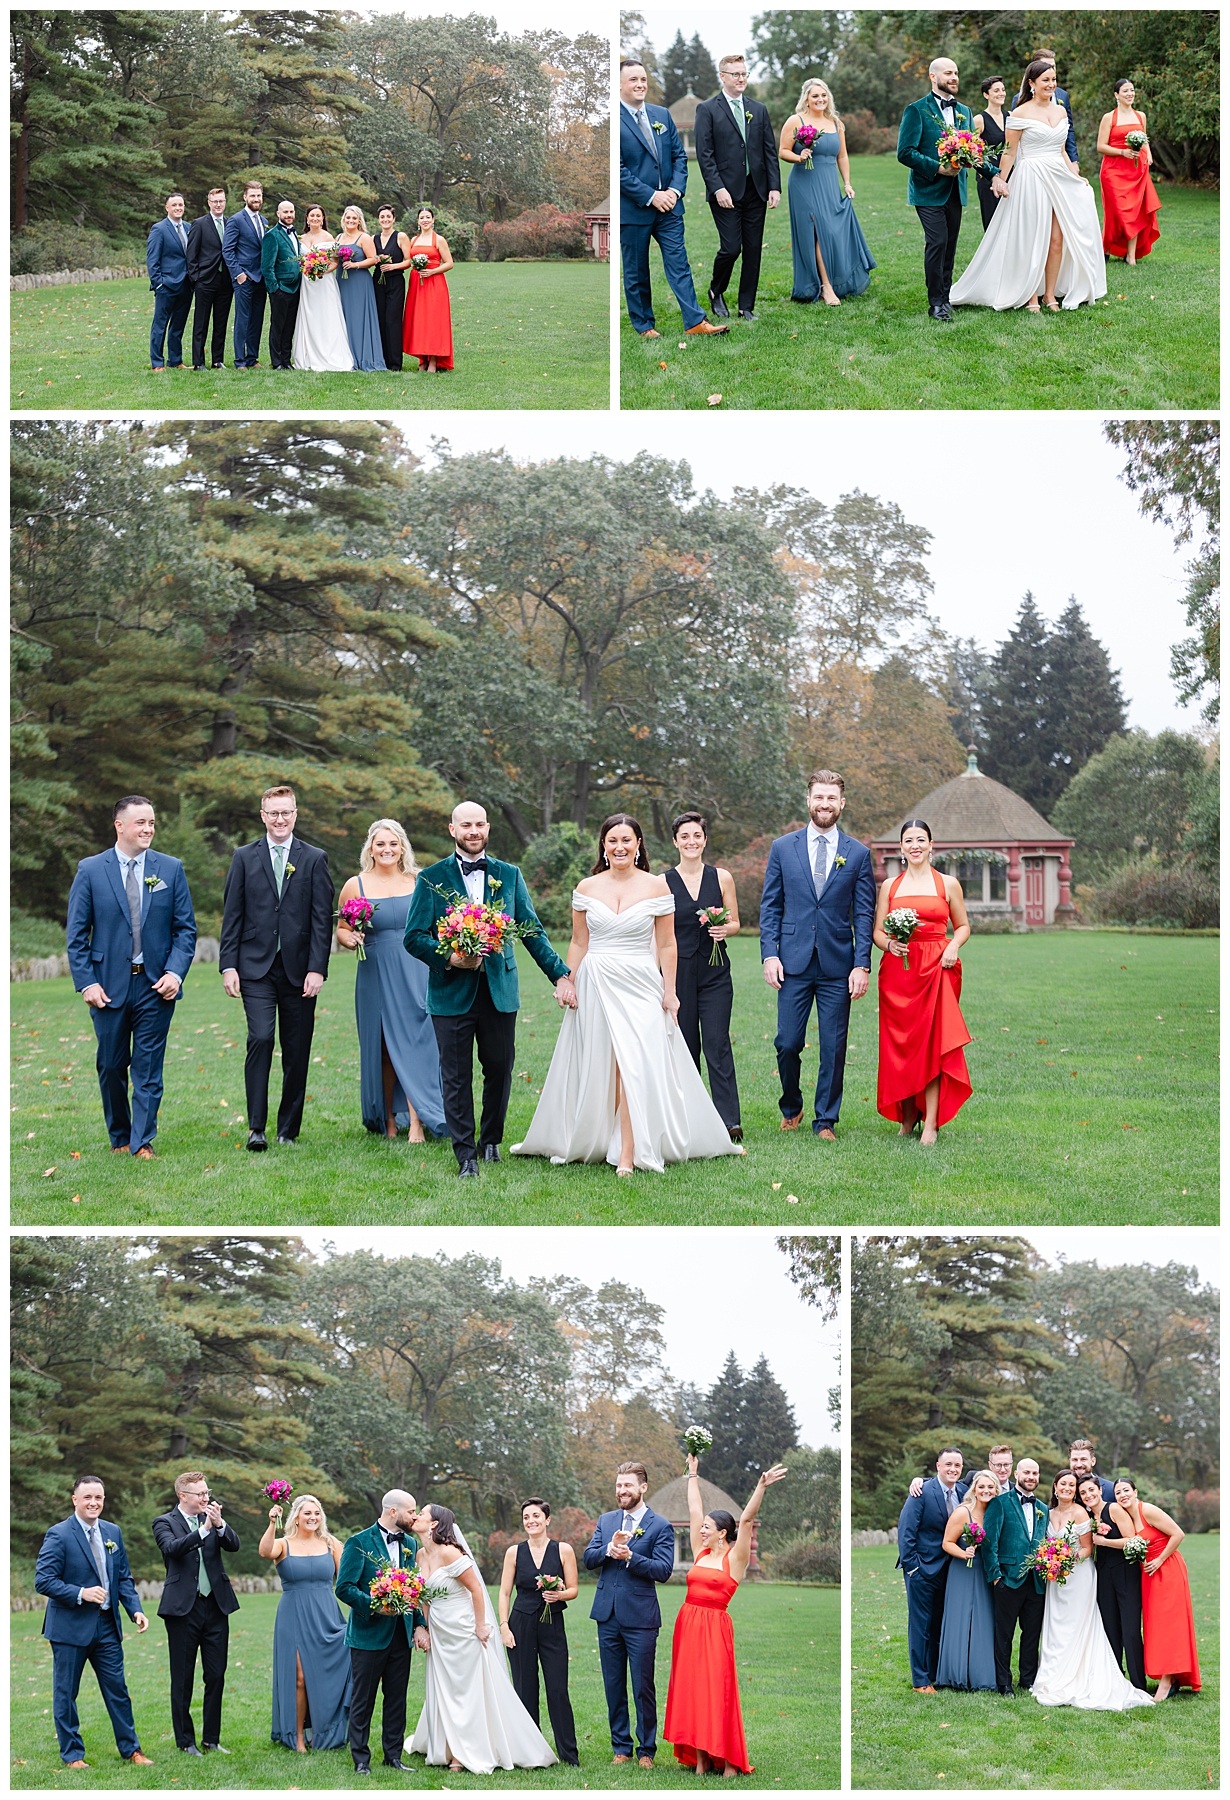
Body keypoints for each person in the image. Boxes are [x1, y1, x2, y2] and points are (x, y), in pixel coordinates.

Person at [511, 814, 743, 1174]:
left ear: (638, 846)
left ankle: (628, 1152)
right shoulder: (586, 887)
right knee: (607, 1063)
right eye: (612, 840)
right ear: (603, 846)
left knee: (631, 1062)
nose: (619, 847)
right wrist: (567, 981)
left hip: (640, 983)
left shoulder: (656, 887)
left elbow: (667, 944)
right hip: (597, 981)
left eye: (627, 840)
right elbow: (578, 941)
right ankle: (602, 1138)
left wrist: (670, 991)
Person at [404, 801, 575, 1177]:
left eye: (479, 824)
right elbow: (413, 937)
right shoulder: (430, 878)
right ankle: (465, 1154)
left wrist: (560, 974)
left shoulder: (509, 874)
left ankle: (491, 1140)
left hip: (500, 989)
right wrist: (449, 957)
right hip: (450, 992)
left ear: (488, 827)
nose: (473, 831)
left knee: (499, 1067)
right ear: (453, 829)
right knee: (456, 1074)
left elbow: (531, 930)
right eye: (466, 825)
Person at [66, 793, 196, 1158]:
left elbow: (185, 930)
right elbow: (76, 935)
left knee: (148, 1068)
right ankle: (120, 1137)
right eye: (141, 822)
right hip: (107, 986)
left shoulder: (170, 868)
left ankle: (141, 1141)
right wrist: (87, 982)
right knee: (110, 1066)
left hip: (156, 986)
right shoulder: (90, 870)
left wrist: (175, 972)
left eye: (152, 822)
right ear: (119, 825)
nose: (148, 828)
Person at [759, 769, 876, 1140]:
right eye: (818, 797)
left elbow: (863, 913)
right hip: (791, 962)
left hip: (837, 965)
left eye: (831, 798)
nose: (824, 804)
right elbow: (770, 907)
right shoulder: (782, 848)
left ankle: (825, 1119)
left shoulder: (857, 854)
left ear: (841, 803)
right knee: (787, 1042)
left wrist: (861, 964)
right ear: (808, 800)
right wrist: (769, 955)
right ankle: (791, 1106)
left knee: (833, 1045)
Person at [219, 784, 334, 1149]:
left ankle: (288, 1129)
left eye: (286, 812)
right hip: (255, 967)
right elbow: (232, 915)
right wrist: (228, 965)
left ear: (295, 815)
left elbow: (321, 920)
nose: (280, 819)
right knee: (262, 1038)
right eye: (273, 813)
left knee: (297, 1049)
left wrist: (318, 968)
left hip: (300, 970)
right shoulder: (243, 856)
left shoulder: (314, 858)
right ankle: (256, 1127)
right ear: (263, 816)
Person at [951, 58, 1107, 313]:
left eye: (1054, 80)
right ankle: (1030, 295)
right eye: (1045, 80)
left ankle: (1049, 294)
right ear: (1031, 83)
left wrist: (1075, 175)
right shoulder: (1020, 113)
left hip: (1058, 176)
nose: (1051, 84)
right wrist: (999, 179)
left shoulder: (1059, 110)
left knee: (1057, 239)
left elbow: (1062, 151)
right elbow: (1010, 153)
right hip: (1031, 177)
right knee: (1033, 238)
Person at [409, 1504, 557, 1773]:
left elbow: (476, 1588)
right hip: (440, 1633)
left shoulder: (450, 1552)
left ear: (433, 1524)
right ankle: (447, 1746)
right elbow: (424, 1597)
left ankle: (464, 1753)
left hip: (464, 1630)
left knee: (467, 1691)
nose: (416, 1515)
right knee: (444, 1689)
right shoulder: (419, 1554)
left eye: (422, 1513)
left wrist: (480, 1626)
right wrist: (426, 1628)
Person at [664, 1454, 787, 1773]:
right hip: (688, 1624)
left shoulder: (735, 1559)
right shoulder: (701, 1551)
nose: (701, 1530)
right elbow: (693, 1509)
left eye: (707, 1527)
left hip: (715, 1627)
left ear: (722, 1532)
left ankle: (728, 1758)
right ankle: (702, 1758)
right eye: (701, 1527)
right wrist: (692, 1474)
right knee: (693, 1689)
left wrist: (760, 1486)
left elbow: (745, 1521)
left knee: (716, 1690)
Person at [335, 818, 446, 1143]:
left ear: (402, 848)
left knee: (419, 1044)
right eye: (380, 843)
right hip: (376, 974)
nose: (387, 849)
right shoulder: (356, 884)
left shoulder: (418, 880)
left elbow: (434, 926)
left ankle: (416, 1120)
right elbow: (341, 928)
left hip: (416, 969)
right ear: (371, 847)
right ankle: (387, 1119)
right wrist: (349, 938)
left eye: (393, 844)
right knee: (383, 1048)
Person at [35, 1476, 153, 1770]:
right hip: (69, 1628)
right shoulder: (59, 1534)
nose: (93, 1503)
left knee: (118, 1691)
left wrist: (134, 1609)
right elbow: (43, 1580)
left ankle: (132, 1750)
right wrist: (80, 1593)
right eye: (87, 1497)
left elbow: (123, 1577)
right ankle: (73, 1754)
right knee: (66, 1694)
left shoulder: (113, 1531)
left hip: (107, 1627)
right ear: (74, 1499)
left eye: (98, 1497)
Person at [874, 818, 972, 1145]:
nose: (915, 845)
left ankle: (930, 1122)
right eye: (908, 841)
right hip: (898, 973)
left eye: (921, 839)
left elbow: (962, 926)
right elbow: (877, 932)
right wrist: (890, 944)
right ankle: (906, 1116)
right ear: (901, 848)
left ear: (932, 845)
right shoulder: (890, 886)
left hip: (937, 970)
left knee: (931, 1045)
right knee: (899, 1046)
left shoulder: (948, 884)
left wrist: (953, 946)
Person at [619, 59, 728, 340]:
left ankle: (695, 321)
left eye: (643, 79)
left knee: (680, 264)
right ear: (619, 84)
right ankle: (644, 326)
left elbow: (679, 157)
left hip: (669, 208)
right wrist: (651, 196)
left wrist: (673, 191)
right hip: (634, 210)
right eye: (633, 80)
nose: (640, 84)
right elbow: (617, 170)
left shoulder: (661, 114)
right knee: (637, 271)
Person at [1029, 1473, 1155, 1710]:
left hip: (1081, 1575)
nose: (1078, 1492)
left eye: (1074, 1486)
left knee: (1113, 1628)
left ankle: (1136, 1682)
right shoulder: (1049, 1512)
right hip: (1058, 1579)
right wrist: (1051, 1562)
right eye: (1064, 1484)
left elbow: (1089, 1546)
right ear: (1054, 1487)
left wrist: (1064, 1560)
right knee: (1061, 1627)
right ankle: (1055, 1674)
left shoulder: (1085, 1512)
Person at [583, 1463, 676, 1767]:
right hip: (607, 1614)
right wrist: (609, 1549)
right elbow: (588, 1558)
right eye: (618, 1485)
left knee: (642, 1686)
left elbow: (663, 1570)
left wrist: (633, 1557)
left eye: (628, 1486)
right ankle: (620, 1747)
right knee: (613, 1684)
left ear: (643, 1487)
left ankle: (646, 1750)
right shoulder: (606, 1520)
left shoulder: (660, 1525)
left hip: (641, 1619)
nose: (621, 1491)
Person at [335, 1489, 425, 1774]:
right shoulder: (359, 1542)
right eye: (411, 1511)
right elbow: (344, 1588)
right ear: (393, 1512)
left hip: (401, 1634)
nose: (414, 1516)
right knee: (363, 1699)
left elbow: (413, 1590)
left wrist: (419, 1623)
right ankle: (361, 1759)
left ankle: (393, 1755)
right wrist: (375, 1606)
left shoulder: (410, 1543)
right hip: (368, 1634)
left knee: (397, 1698)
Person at [664, 812, 742, 1139]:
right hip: (679, 973)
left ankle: (729, 1121)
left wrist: (726, 928)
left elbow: (736, 921)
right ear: (675, 841)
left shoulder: (721, 877)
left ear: (705, 839)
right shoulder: (662, 882)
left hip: (715, 973)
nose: (691, 841)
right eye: (685, 836)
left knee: (716, 1042)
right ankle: (689, 1119)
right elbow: (658, 933)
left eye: (697, 835)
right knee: (686, 1046)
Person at [152, 1471, 241, 1756]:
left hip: (216, 1605)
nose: (206, 1497)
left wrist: (219, 1525)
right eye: (200, 1494)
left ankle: (211, 1739)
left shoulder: (213, 1521)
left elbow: (234, 1545)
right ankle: (185, 1741)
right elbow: (172, 1549)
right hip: (182, 1610)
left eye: (207, 1492)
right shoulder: (164, 1522)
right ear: (182, 1495)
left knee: (216, 1675)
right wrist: (203, 1530)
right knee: (183, 1677)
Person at [259, 1493, 351, 1752]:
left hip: (327, 1616)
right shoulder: (283, 1544)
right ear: (296, 1517)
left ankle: (326, 1730)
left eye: (317, 1513)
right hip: (294, 1615)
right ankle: (298, 1734)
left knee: (326, 1674)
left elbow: (348, 1575)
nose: (312, 1517)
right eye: (307, 1513)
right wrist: (271, 1522)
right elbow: (265, 1551)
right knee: (300, 1677)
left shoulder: (331, 1543)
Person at [693, 54, 781, 321]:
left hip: (756, 189)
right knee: (732, 248)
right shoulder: (707, 109)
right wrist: (717, 188)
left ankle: (746, 305)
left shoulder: (759, 109)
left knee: (753, 249)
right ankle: (716, 291)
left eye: (744, 74)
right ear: (722, 76)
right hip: (725, 193)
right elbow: (704, 153)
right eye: (735, 74)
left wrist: (774, 187)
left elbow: (769, 151)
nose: (741, 78)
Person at [498, 1499, 580, 1767]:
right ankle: (529, 1753)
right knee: (525, 1688)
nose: (530, 1520)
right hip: (520, 1624)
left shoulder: (563, 1550)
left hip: (552, 1624)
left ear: (547, 1519)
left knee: (557, 1689)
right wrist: (504, 1626)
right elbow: (505, 1592)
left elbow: (574, 1589)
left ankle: (569, 1754)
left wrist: (558, 1594)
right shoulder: (513, 1552)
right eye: (525, 1516)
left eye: (536, 1515)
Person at [780, 77, 875, 304]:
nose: (820, 99)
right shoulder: (796, 120)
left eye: (823, 95)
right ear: (806, 98)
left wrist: (847, 183)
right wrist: (799, 156)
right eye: (815, 96)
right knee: (817, 232)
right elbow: (783, 151)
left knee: (831, 232)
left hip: (829, 183)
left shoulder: (835, 123)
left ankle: (832, 280)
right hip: (804, 183)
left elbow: (842, 156)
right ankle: (826, 286)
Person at [897, 58, 976, 320]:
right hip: (928, 188)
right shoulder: (916, 110)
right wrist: (938, 168)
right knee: (937, 241)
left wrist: (996, 175)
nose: (954, 77)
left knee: (950, 245)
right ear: (933, 76)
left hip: (956, 189)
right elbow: (905, 152)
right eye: (948, 73)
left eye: (956, 72)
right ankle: (936, 303)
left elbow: (973, 151)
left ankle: (946, 297)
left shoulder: (964, 111)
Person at [1114, 1477, 1202, 1697]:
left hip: (1167, 1568)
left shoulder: (1148, 1511)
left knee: (1170, 1623)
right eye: (1118, 1493)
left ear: (1135, 1492)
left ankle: (1166, 1681)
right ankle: (1171, 1676)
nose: (1122, 1495)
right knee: (1156, 1625)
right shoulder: (1126, 1517)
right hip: (1149, 1574)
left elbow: (1178, 1534)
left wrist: (1160, 1559)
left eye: (1126, 1490)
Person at [895, 1449, 969, 1692]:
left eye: (957, 1465)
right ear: (938, 1465)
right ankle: (920, 1680)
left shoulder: (963, 1492)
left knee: (939, 1623)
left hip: (950, 1571)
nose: (953, 1469)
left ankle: (936, 1674)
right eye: (948, 1464)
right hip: (922, 1570)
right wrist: (913, 1568)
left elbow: (987, 1480)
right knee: (920, 1625)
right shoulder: (922, 1491)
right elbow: (906, 1532)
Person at [980, 1457, 1049, 1695]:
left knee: (1031, 1634)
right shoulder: (1000, 1503)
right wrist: (996, 1577)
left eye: (1035, 1473)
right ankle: (1004, 1682)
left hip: (1037, 1582)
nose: (1031, 1477)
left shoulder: (1043, 1508)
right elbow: (989, 1543)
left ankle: (1027, 1680)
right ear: (1017, 1474)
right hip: (1007, 1579)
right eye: (1027, 1472)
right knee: (1004, 1634)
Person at [1076, 1476, 1147, 1692]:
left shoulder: (1114, 1508)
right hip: (1103, 1576)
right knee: (1110, 1630)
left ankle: (1138, 1684)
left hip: (1125, 1573)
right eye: (1083, 1493)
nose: (1088, 1495)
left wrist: (1105, 1541)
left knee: (1130, 1630)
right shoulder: (1090, 1516)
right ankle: (1117, 1680)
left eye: (1091, 1490)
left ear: (1099, 1490)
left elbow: (1132, 1538)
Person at [934, 1469, 999, 1691]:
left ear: (996, 1490)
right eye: (981, 1486)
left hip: (986, 1572)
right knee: (960, 1619)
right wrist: (965, 1554)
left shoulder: (996, 1512)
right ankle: (956, 1674)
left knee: (985, 1620)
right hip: (963, 1569)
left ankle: (982, 1675)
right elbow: (947, 1542)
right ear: (974, 1489)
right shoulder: (963, 1512)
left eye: (990, 1487)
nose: (986, 1490)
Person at [1098, 79, 1161, 265]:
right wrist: (1122, 152)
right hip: (1113, 171)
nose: (1130, 94)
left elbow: (1144, 139)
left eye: (1132, 90)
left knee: (1135, 212)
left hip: (1137, 170)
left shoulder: (1141, 116)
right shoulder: (1109, 117)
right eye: (1125, 91)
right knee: (1116, 212)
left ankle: (1131, 256)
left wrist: (1148, 153)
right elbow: (1101, 146)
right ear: (1116, 95)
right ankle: (1107, 247)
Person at [292, 206, 356, 371]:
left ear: (322, 219)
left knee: (326, 316)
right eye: (312, 215)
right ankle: (307, 355)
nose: (315, 218)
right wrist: (307, 269)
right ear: (306, 218)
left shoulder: (329, 237)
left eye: (318, 216)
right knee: (308, 316)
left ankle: (330, 354)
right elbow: (299, 260)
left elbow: (335, 262)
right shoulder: (300, 237)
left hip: (324, 282)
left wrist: (321, 270)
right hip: (307, 283)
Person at [334, 205, 387, 371]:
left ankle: (364, 358)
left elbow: (374, 259)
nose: (350, 220)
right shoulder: (338, 237)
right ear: (344, 219)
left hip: (359, 283)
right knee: (343, 317)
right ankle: (344, 358)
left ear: (359, 221)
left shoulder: (364, 238)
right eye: (348, 218)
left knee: (358, 318)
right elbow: (335, 260)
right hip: (342, 281)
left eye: (354, 218)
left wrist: (356, 264)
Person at [222, 180, 269, 368]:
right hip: (244, 278)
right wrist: (238, 274)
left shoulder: (264, 221)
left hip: (261, 278)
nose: (256, 199)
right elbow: (227, 250)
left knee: (257, 319)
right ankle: (239, 360)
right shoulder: (236, 220)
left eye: (259, 196)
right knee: (242, 319)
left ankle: (252, 357)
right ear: (245, 197)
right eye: (252, 196)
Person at [403, 205, 455, 372]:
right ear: (418, 221)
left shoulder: (438, 240)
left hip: (434, 283)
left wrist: (432, 271)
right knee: (419, 320)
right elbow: (409, 260)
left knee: (433, 320)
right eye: (422, 217)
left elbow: (449, 263)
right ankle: (422, 359)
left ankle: (433, 360)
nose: (425, 220)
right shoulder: (414, 240)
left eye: (428, 217)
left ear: (433, 220)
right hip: (417, 284)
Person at [146, 191, 194, 372]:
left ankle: (175, 360)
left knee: (178, 326)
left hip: (186, 285)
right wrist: (158, 283)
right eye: (174, 205)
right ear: (167, 208)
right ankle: (157, 362)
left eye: (180, 205)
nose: (178, 208)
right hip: (166, 285)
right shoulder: (159, 229)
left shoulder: (190, 227)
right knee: (160, 325)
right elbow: (152, 259)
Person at [185, 188, 233, 370]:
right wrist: (196, 278)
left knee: (220, 323)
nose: (218, 204)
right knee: (201, 323)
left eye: (221, 201)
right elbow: (191, 255)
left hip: (226, 282)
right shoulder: (199, 224)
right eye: (215, 201)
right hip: (205, 281)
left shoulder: (230, 223)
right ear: (209, 203)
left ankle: (217, 360)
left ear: (225, 202)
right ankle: (198, 362)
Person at [261, 199, 303, 372]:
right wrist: (274, 289)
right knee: (278, 325)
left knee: (289, 326)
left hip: (296, 288)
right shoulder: (272, 235)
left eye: (291, 212)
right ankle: (277, 361)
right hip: (280, 289)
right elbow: (266, 266)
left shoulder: (295, 234)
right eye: (285, 212)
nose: (289, 215)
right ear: (278, 214)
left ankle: (286, 361)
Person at [372, 204, 411, 371]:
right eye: (382, 217)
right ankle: (382, 361)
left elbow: (409, 261)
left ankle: (395, 363)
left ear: (393, 219)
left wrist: (393, 266)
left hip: (395, 282)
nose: (385, 220)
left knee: (392, 321)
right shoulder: (373, 238)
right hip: (378, 282)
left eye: (388, 216)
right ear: (379, 219)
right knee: (380, 320)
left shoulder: (400, 237)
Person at [972, 78, 1009, 229]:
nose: (1001, 93)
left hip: (1010, 177)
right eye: (996, 90)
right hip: (987, 179)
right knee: (993, 226)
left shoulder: (1011, 117)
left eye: (1003, 90)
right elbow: (972, 153)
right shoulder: (979, 120)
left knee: (1011, 225)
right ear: (986, 95)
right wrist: (988, 174)